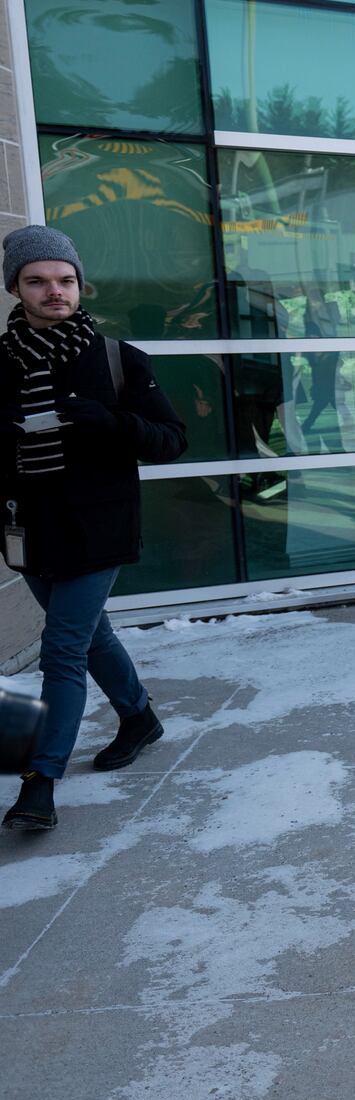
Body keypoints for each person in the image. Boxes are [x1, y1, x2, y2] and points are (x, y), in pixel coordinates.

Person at [1, 225, 188, 831]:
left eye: (65, 280)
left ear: (81, 285)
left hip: (99, 528)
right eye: (38, 281)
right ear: (16, 288)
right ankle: (138, 717)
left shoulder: (117, 360)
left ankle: (39, 780)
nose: (54, 291)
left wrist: (110, 422)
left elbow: (171, 442)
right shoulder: (0, 364)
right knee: (91, 636)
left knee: (61, 649)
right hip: (29, 530)